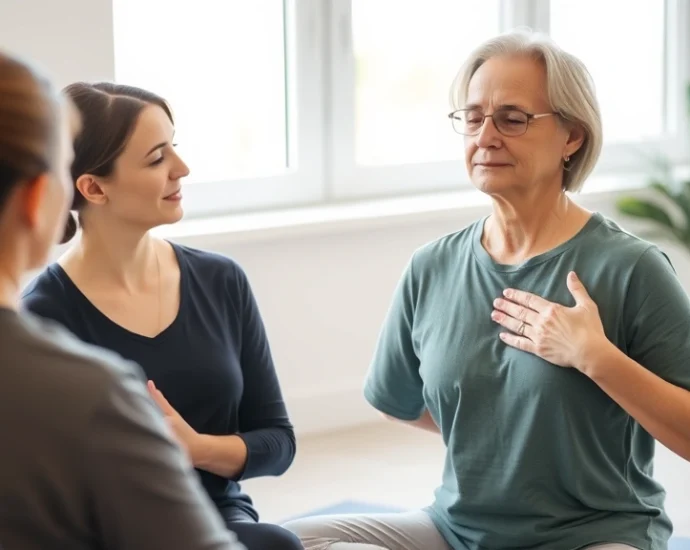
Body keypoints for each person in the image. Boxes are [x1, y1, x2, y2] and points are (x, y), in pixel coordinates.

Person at [282, 29, 690, 550]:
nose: (486, 136)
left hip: (594, 536)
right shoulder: (431, 265)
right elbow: (396, 400)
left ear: (572, 136)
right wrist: (508, 441)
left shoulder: (631, 268)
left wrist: (595, 357)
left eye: (513, 118)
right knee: (288, 541)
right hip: (457, 532)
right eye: (473, 118)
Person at [21, 81, 303, 550]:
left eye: (175, 147)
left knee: (277, 543)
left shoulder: (222, 280)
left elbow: (277, 444)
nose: (183, 169)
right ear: (92, 187)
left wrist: (197, 449)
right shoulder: (43, 316)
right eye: (157, 159)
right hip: (108, 532)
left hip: (217, 517)